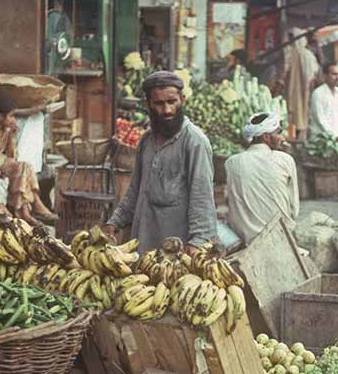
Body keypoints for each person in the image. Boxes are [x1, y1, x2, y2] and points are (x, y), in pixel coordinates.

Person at [104, 71, 217, 253]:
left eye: (172, 102)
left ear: (183, 100)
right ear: (148, 104)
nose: (167, 110)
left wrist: (198, 241)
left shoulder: (194, 142)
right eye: (159, 103)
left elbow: (202, 197)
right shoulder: (146, 141)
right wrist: (116, 220)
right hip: (143, 244)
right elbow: (135, 189)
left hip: (176, 252)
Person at [224, 112, 299, 245]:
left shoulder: (231, 162)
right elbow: (294, 209)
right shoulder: (284, 160)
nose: (283, 138)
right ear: (266, 137)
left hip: (245, 241)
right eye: (279, 133)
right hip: (281, 238)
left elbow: (229, 204)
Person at [284, 29, 320, 138]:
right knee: (300, 114)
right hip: (303, 91)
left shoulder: (288, 52)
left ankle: (291, 138)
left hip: (293, 90)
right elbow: (313, 74)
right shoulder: (307, 55)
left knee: (291, 114)